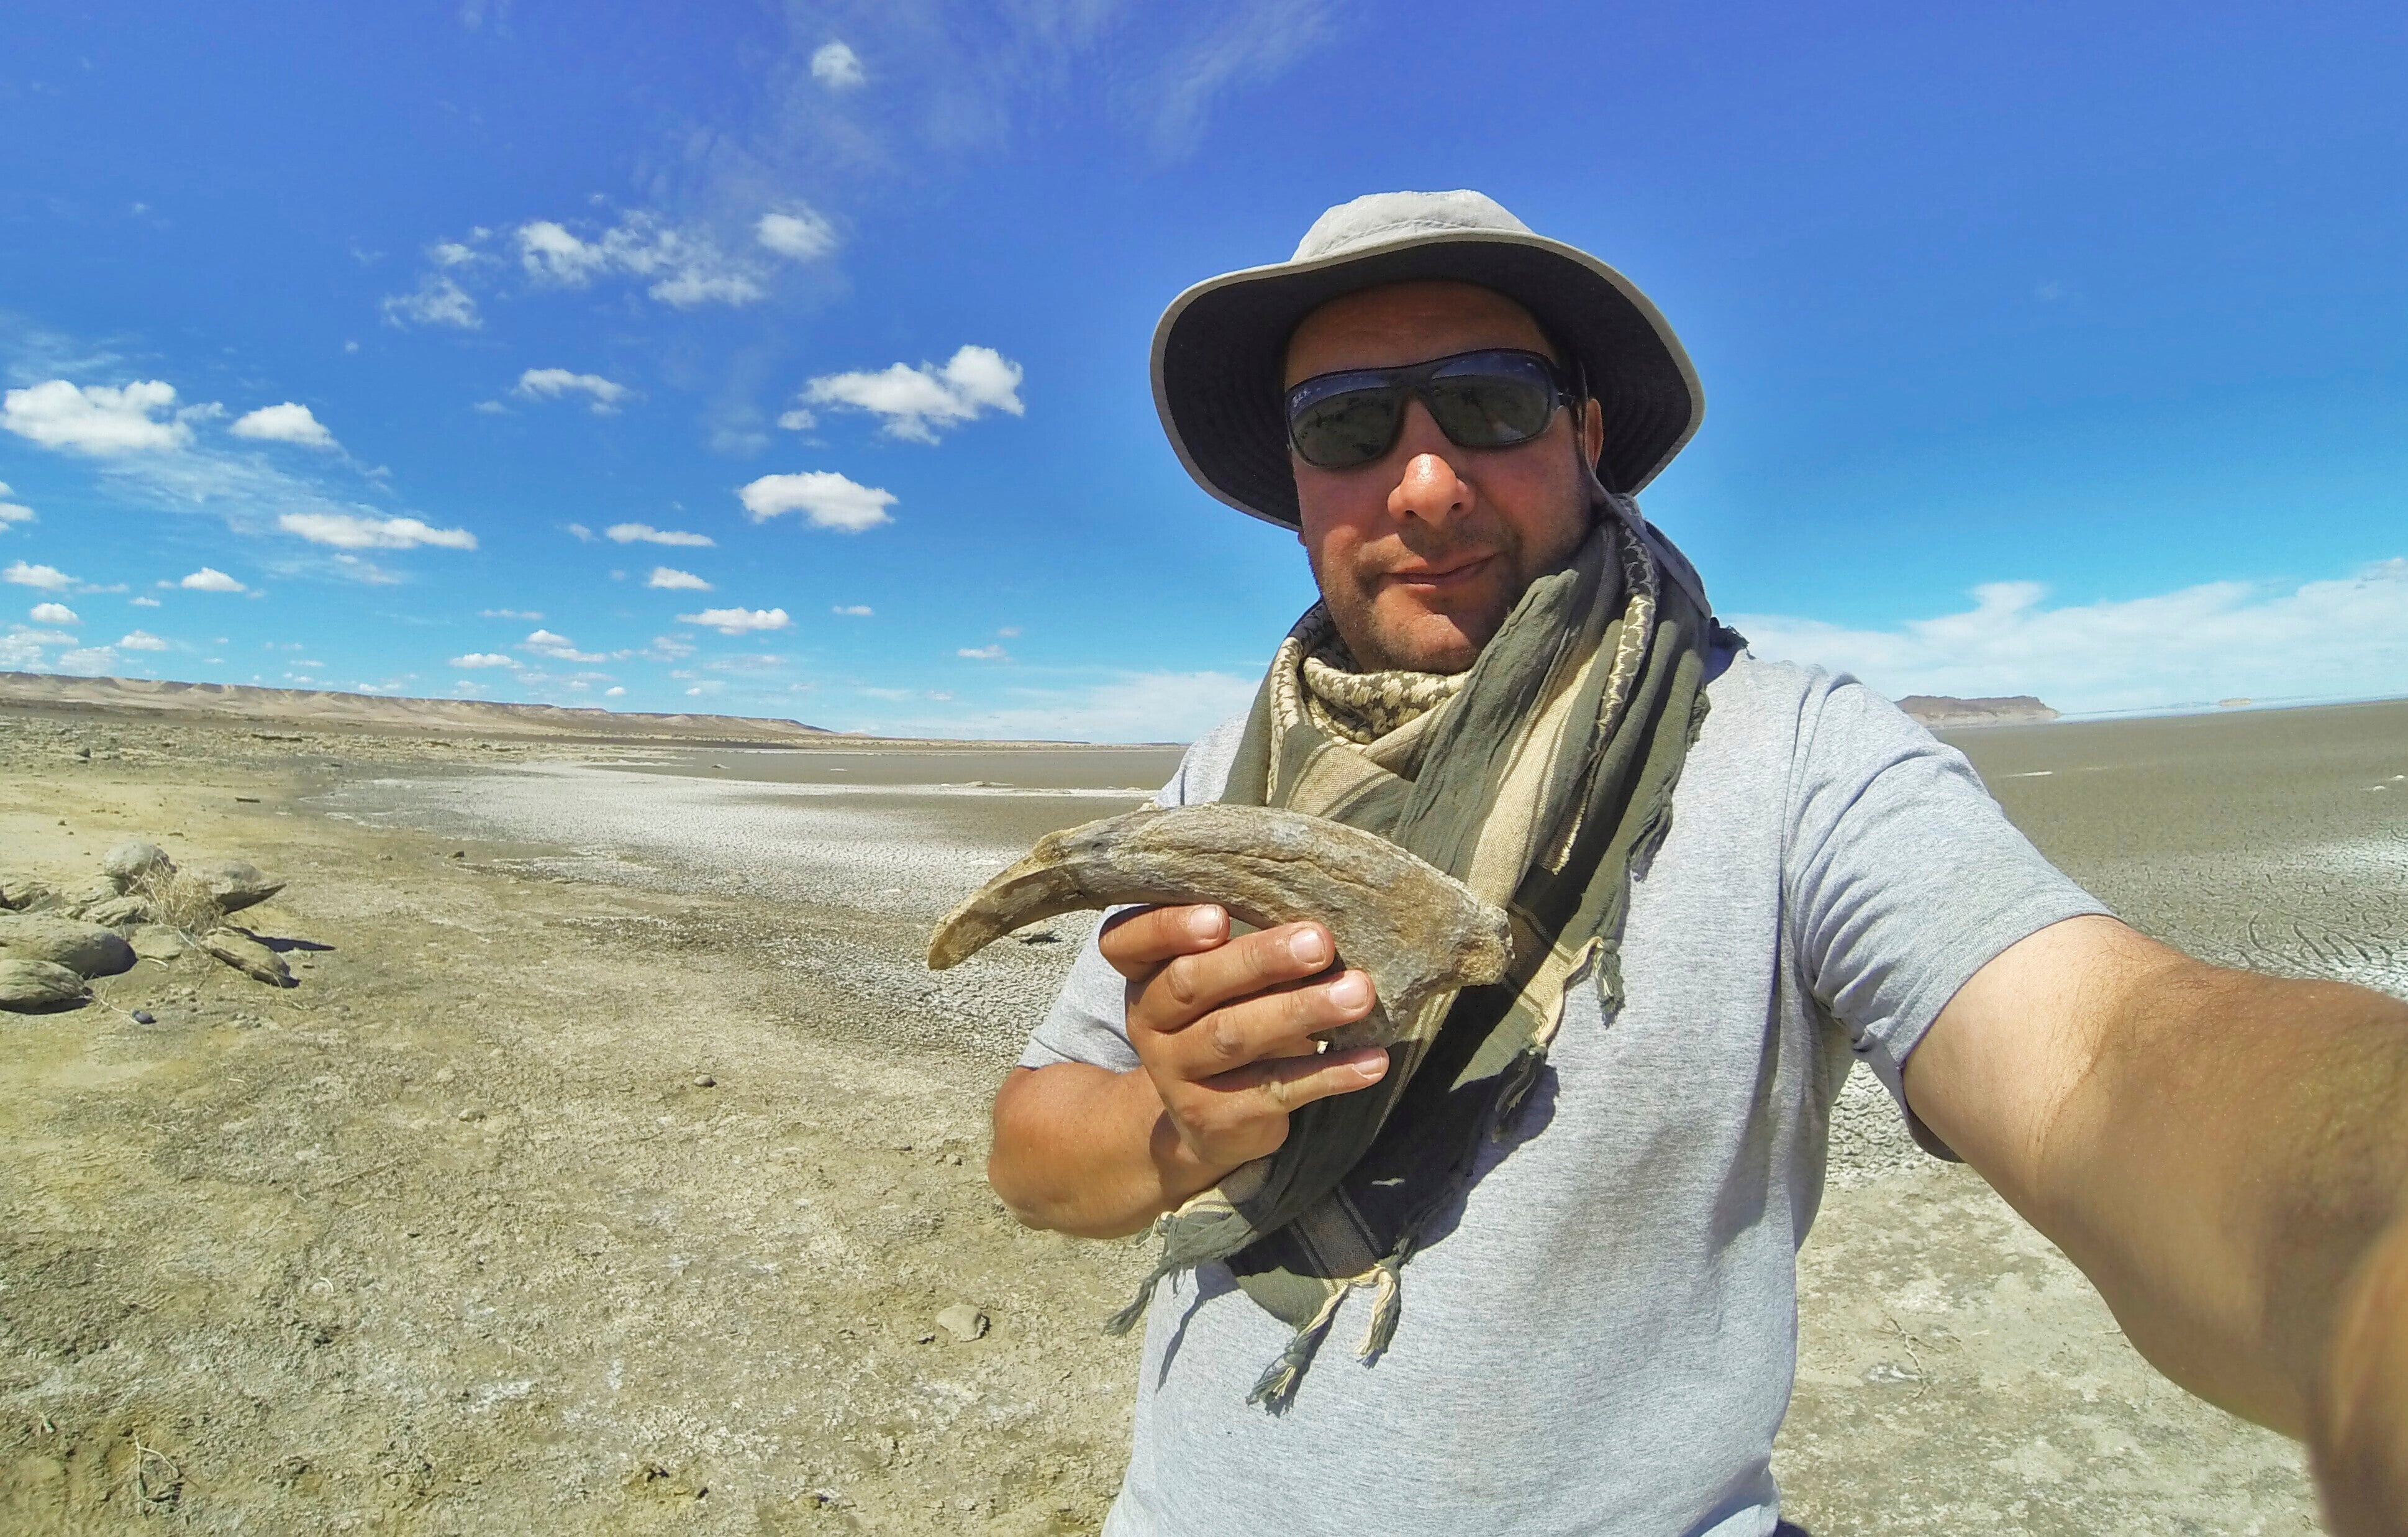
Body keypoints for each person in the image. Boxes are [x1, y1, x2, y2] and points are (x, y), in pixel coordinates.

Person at [984, 189, 2408, 1536]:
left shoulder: (1795, 757)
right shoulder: (1225, 779)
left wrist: (2362, 1267)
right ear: (1297, 482)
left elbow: (2096, 1059)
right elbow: (1036, 1160)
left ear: (1586, 433)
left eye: (1489, 403)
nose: (1422, 481)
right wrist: (1182, 1129)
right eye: (1347, 426)